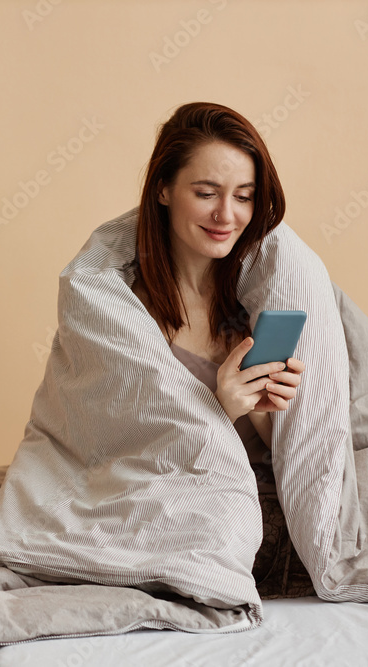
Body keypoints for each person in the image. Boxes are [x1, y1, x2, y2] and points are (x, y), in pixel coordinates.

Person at [128, 101, 314, 598]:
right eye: (206, 193)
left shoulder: (256, 292)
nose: (226, 215)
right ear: (164, 189)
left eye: (245, 196)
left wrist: (264, 412)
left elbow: (288, 451)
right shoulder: (123, 313)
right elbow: (123, 454)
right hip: (187, 502)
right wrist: (220, 410)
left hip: (271, 488)